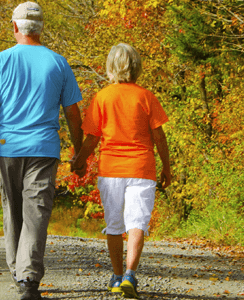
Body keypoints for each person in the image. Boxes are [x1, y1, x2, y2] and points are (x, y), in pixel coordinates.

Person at [0, 2, 83, 300]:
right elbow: (72, 112)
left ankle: (22, 274)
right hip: (44, 148)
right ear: (41, 28)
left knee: (13, 209)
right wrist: (80, 151)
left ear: (15, 27)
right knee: (37, 211)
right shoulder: (58, 63)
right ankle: (26, 276)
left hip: (5, 149)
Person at [70, 43, 172, 299]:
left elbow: (92, 138)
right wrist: (167, 168)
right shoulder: (146, 97)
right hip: (141, 167)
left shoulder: (103, 97)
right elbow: (159, 137)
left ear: (110, 67)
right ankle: (129, 275)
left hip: (111, 169)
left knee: (114, 224)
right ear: (136, 67)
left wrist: (79, 161)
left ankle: (116, 277)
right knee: (138, 222)